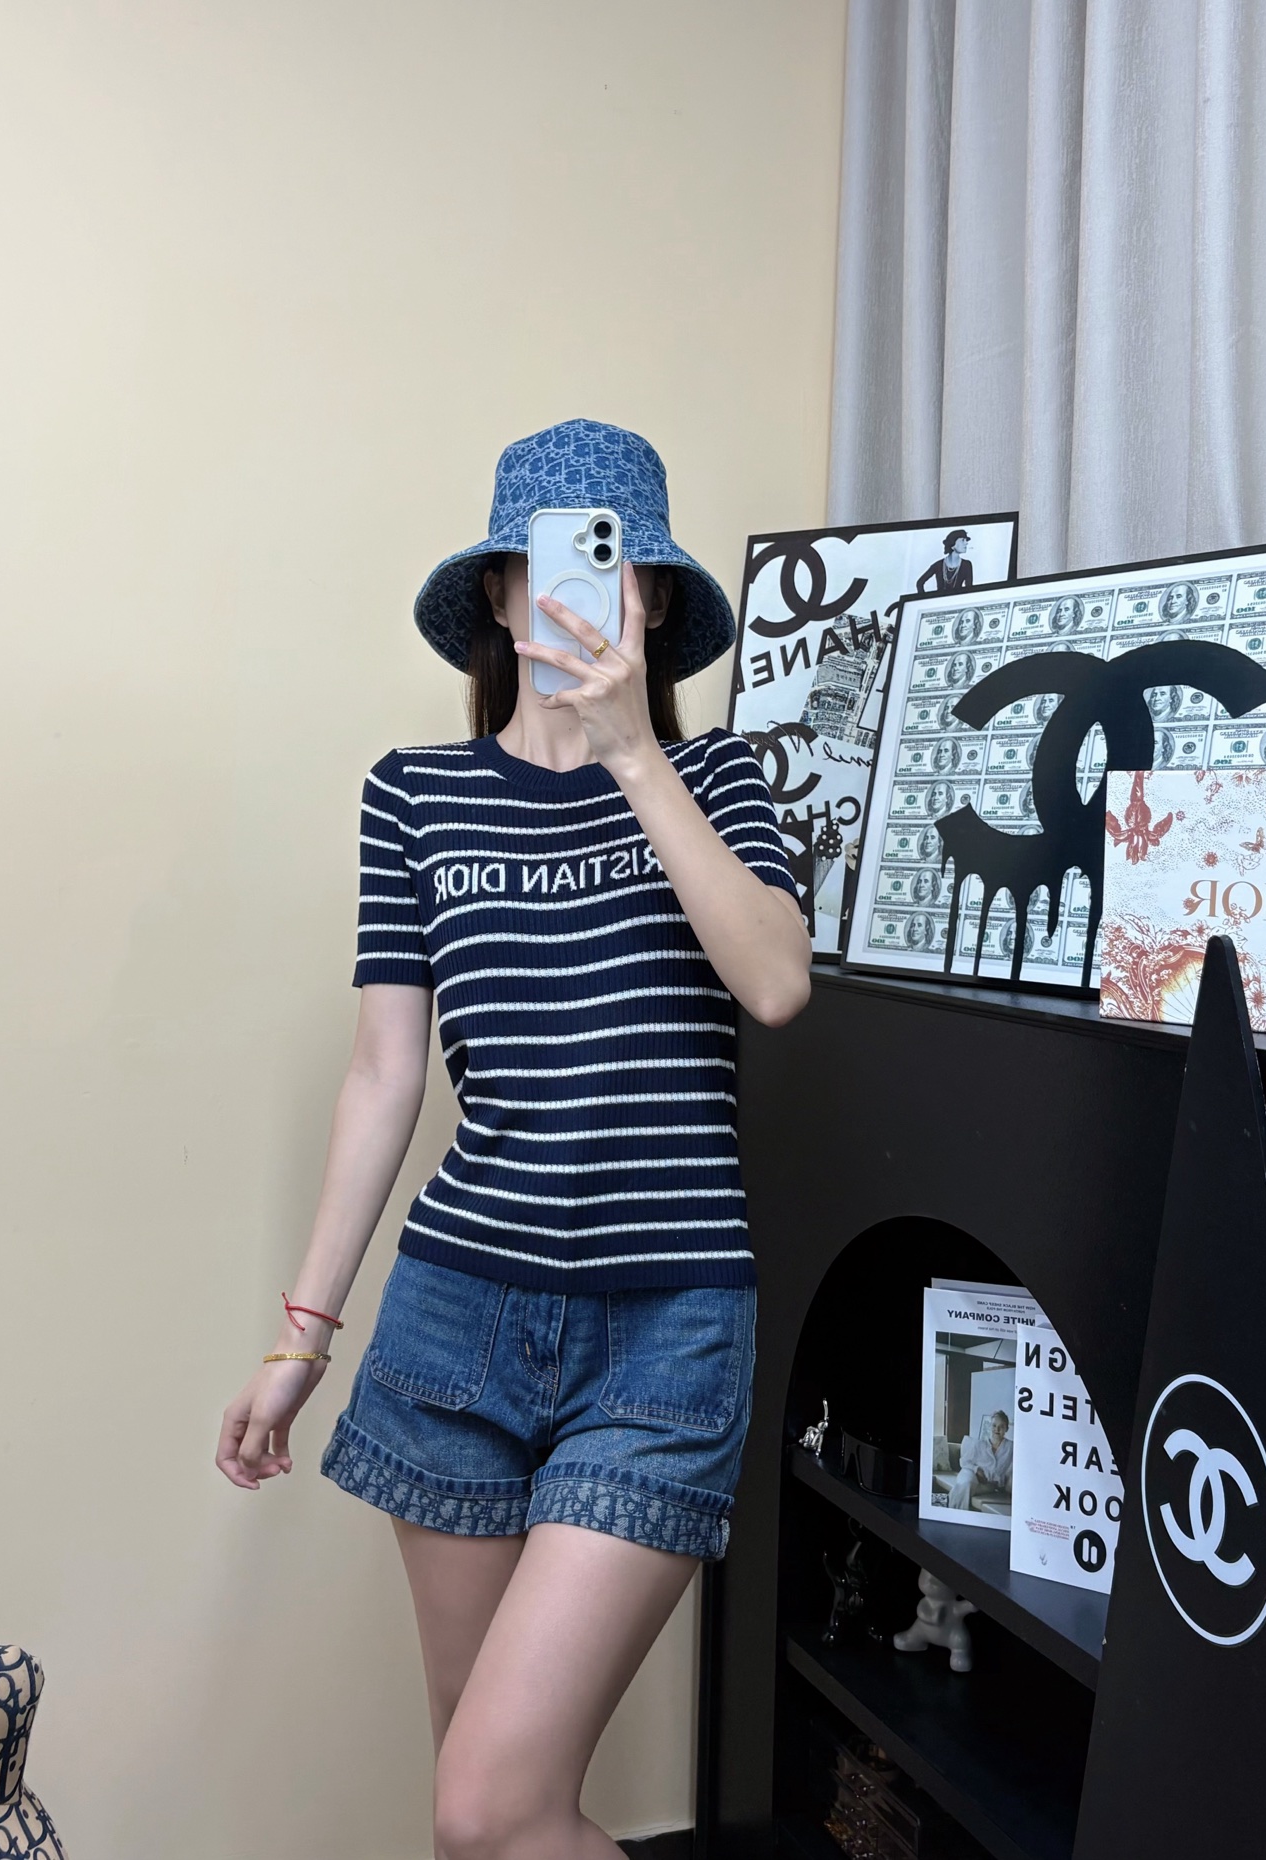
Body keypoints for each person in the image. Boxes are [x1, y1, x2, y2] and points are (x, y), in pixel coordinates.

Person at [214, 421, 811, 1860]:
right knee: (474, 1819)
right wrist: (302, 1337)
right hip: (457, 1324)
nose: (579, 594)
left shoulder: (724, 779)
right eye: (544, 564)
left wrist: (635, 754)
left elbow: (777, 984)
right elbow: (385, 1076)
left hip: (665, 1335)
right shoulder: (414, 795)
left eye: (617, 569)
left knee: (492, 1811)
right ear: (497, 591)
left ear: (652, 602)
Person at [947, 1411, 1013, 1511]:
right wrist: (976, 1470)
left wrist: (1000, 1482)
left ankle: (951, 1509)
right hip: (970, 1472)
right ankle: (955, 1514)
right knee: (967, 1483)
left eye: (1001, 1426)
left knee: (964, 1489)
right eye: (994, 1425)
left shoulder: (1011, 1448)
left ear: (1006, 1429)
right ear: (990, 1426)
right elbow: (964, 1461)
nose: (997, 1429)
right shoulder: (980, 1444)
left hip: (989, 1484)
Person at [916, 529, 973, 596]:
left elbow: (969, 589)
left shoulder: (967, 565)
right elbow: (919, 583)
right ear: (953, 544)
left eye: (966, 540)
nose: (966, 543)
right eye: (963, 540)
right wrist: (925, 599)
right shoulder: (938, 565)